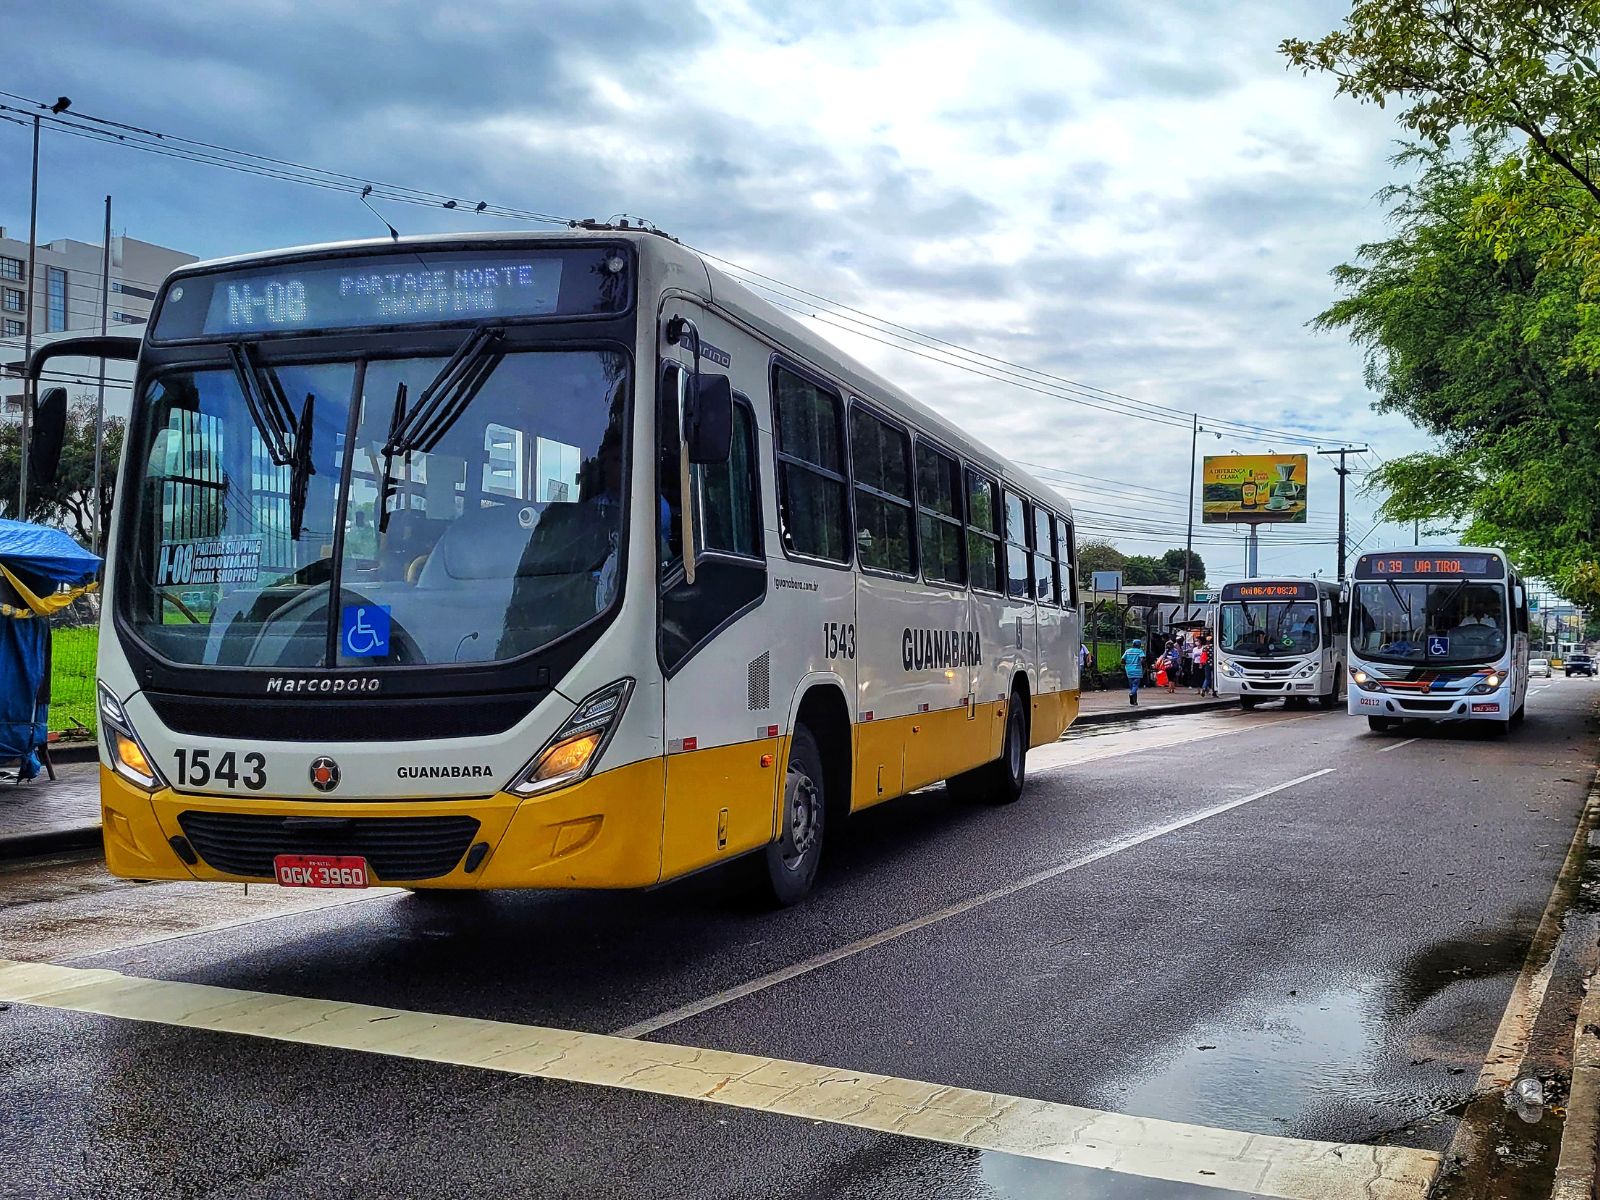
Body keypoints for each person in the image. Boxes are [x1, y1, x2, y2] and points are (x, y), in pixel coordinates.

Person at [1122, 639, 1146, 706]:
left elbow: (1122, 659)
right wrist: (1143, 666)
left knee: (1132, 686)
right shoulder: (1140, 651)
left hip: (1129, 670)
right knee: (1135, 685)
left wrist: (1127, 664)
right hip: (1137, 670)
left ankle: (1134, 702)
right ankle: (1131, 694)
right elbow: (1142, 660)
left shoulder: (1127, 651)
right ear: (1139, 645)